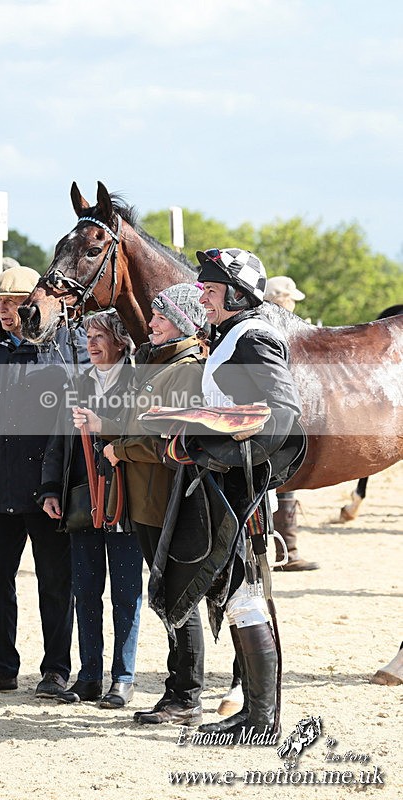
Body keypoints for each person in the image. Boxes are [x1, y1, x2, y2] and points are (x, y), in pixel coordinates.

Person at [0, 266, 88, 697]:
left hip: (49, 486)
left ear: (33, 301)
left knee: (55, 582)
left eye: (12, 302)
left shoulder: (65, 342)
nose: (5, 310)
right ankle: (1, 667)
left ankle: (56, 670)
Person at [193, 248, 303, 740]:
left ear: (238, 295)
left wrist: (221, 451)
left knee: (246, 597)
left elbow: (281, 414)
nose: (203, 297)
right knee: (240, 597)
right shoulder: (233, 334)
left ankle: (262, 718)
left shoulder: (253, 336)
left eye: (211, 291)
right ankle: (257, 714)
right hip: (231, 482)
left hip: (243, 486)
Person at [102, 283, 208, 726]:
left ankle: (185, 695)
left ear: (182, 321)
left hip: (165, 500)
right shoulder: (156, 361)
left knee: (176, 596)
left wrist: (119, 450)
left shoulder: (186, 370)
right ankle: (180, 691)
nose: (152, 323)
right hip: (146, 500)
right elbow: (136, 421)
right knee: (165, 595)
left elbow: (168, 438)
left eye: (161, 317)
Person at [41, 311, 143, 708]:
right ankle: (89, 676)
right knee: (85, 591)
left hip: (126, 501)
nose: (92, 343)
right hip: (83, 501)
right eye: (89, 335)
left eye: (100, 335)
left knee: (126, 593)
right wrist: (50, 489)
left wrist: (105, 423)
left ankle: (123, 677)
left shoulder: (139, 382)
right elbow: (57, 440)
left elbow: (143, 431)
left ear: (120, 340)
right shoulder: (78, 382)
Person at [264, 275, 318, 571]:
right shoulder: (277, 330)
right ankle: (288, 551)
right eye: (290, 299)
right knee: (282, 483)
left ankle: (288, 550)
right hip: (279, 417)